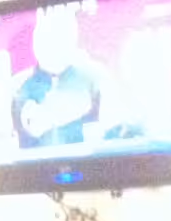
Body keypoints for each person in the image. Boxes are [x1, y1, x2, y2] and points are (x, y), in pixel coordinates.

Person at [11, 6, 106, 148]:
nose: (52, 44)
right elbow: (34, 126)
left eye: (61, 34)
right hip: (34, 169)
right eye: (46, 34)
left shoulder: (94, 76)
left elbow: (116, 126)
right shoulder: (17, 85)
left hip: (90, 167)